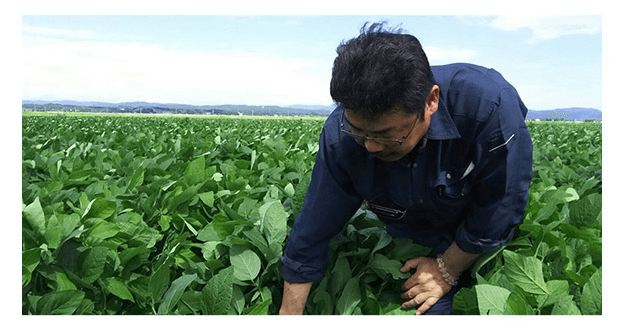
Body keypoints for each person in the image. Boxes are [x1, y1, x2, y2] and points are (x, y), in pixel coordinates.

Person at [278, 22, 533, 315]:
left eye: (387, 134)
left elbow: (501, 203)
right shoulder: (340, 135)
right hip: (408, 225)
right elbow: (314, 225)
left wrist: (445, 269)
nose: (371, 146)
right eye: (359, 131)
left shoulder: (488, 107)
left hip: (473, 219)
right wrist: (289, 313)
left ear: (431, 102)